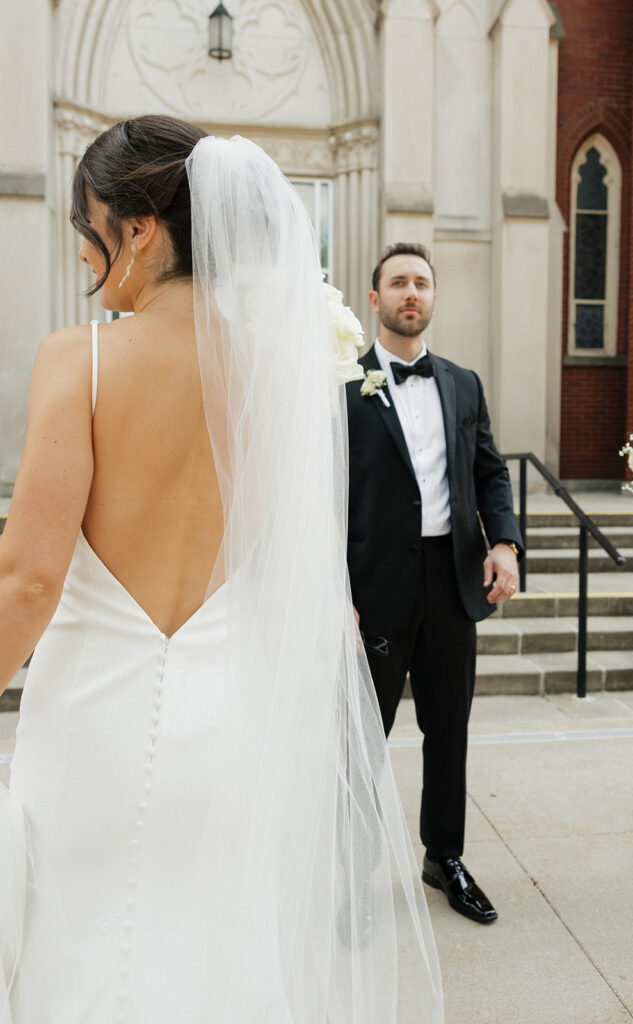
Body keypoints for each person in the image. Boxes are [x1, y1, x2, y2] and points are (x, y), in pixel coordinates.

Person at [0, 119, 444, 1023]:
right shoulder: (275, 382)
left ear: (139, 232)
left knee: (85, 958)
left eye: (89, 227)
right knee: (211, 967)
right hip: (233, 739)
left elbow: (28, 580)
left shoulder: (77, 359)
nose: (85, 254)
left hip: (93, 736)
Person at [346, 243, 523, 925]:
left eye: (420, 282)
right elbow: (321, 493)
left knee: (448, 731)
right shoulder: (339, 381)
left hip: (452, 582)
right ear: (375, 299)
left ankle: (442, 856)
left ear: (433, 296)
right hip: (373, 590)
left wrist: (503, 542)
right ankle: (354, 874)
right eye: (397, 283)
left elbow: (489, 473)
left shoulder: (462, 383)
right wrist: (337, 591)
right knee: (364, 736)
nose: (409, 293)